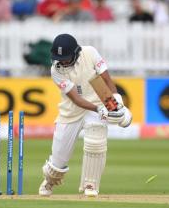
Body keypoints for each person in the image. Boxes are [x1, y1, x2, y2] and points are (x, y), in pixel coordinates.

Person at [38, 34, 132, 197]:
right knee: (58, 161)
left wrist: (116, 103)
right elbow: (76, 99)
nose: (64, 62)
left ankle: (90, 184)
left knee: (96, 141)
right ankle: (50, 180)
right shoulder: (55, 70)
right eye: (60, 58)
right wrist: (99, 110)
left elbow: (106, 80)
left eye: (66, 58)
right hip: (71, 111)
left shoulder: (90, 53)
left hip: (100, 100)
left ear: (76, 52)